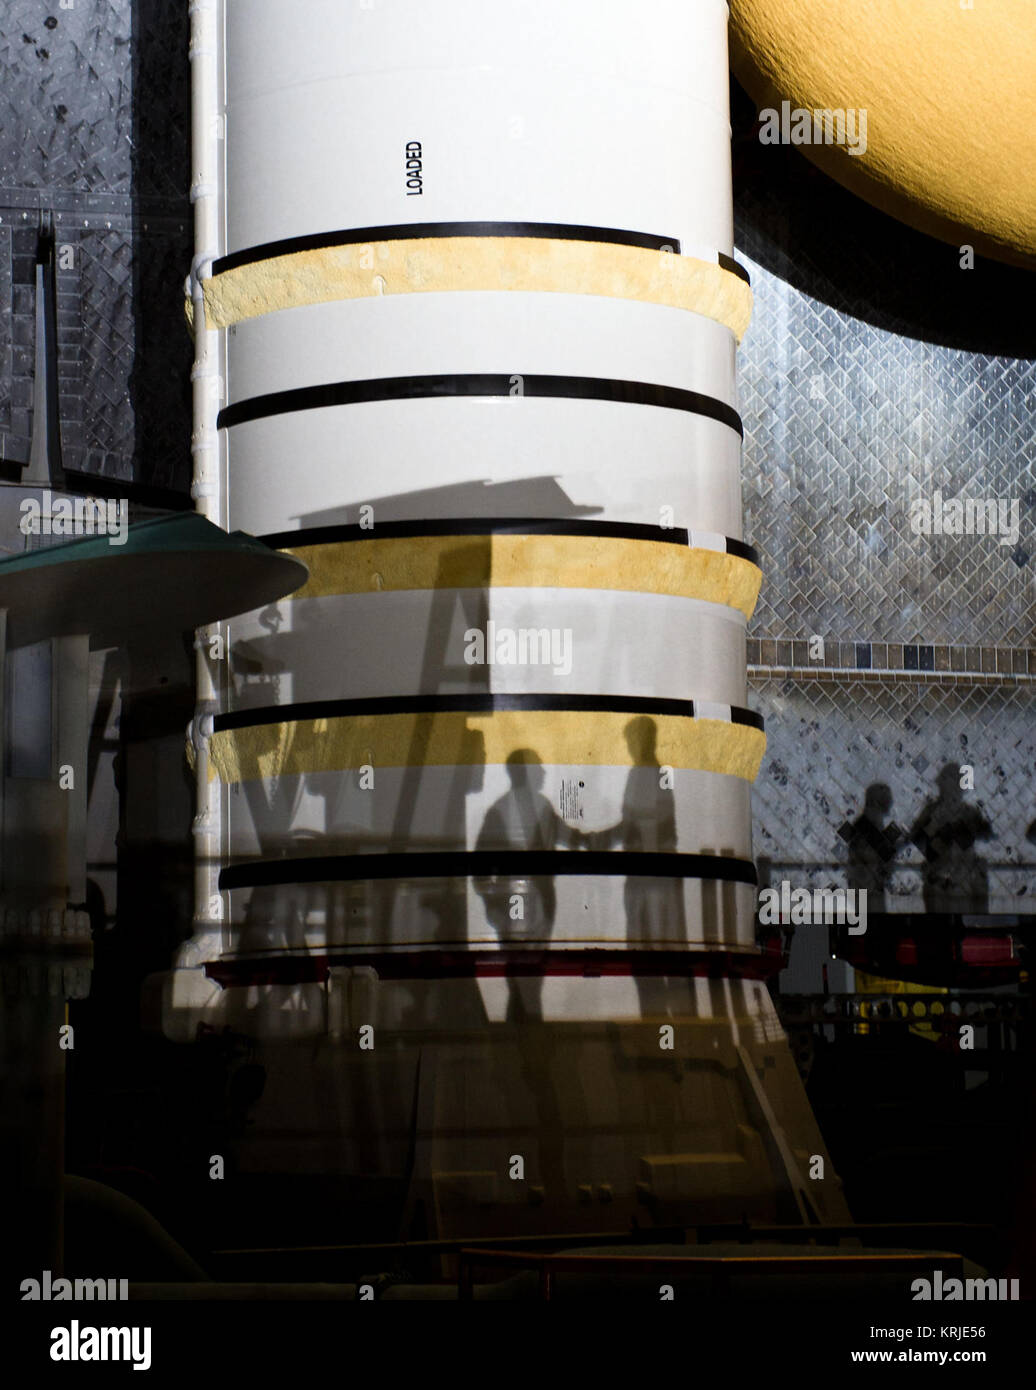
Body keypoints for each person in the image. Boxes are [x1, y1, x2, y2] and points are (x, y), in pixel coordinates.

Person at [474, 749, 583, 1021]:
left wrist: (493, 906)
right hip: (537, 906)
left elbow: (479, 871)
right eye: (538, 767)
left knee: (520, 979)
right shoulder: (541, 807)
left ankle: (522, 1040)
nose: (544, 771)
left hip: (513, 907)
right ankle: (530, 1042)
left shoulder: (500, 811)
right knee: (530, 980)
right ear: (526, 771)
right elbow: (575, 839)